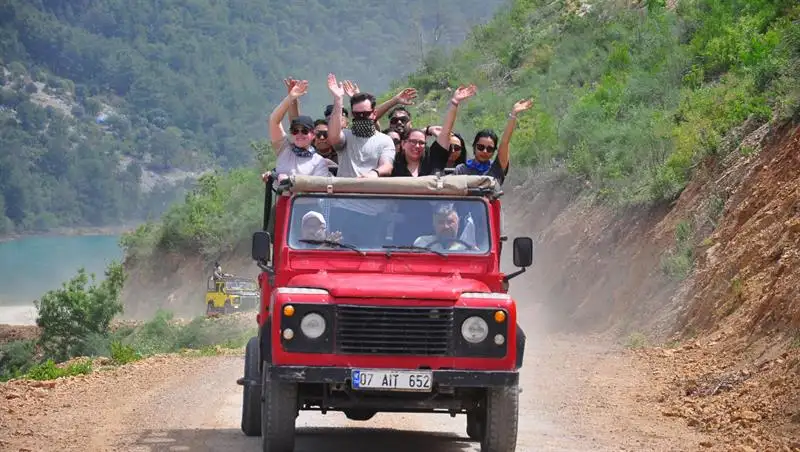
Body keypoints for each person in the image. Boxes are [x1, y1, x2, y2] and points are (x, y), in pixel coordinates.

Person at [436, 84, 533, 184]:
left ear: (494, 152)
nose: (485, 151)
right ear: (474, 147)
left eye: (490, 149)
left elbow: (505, 142)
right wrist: (455, 103)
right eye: (481, 147)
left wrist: (513, 114)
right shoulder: (462, 170)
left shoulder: (496, 169)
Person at [266, 79, 330, 183]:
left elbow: (318, 187)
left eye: (304, 131)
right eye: (295, 131)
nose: (299, 134)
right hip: (282, 193)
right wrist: (290, 97)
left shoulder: (318, 161)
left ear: (313, 135)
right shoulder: (284, 148)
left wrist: (289, 180)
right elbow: (273, 121)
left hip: (301, 194)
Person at [413, 204, 477, 251]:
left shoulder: (467, 249)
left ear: (458, 223)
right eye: (441, 222)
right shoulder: (422, 242)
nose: (446, 226)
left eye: (450, 222)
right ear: (434, 224)